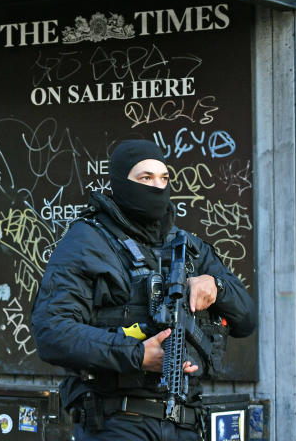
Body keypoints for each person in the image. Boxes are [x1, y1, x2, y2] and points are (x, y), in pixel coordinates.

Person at [31, 139, 257, 440]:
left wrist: (218, 287)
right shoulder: (87, 242)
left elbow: (247, 320)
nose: (157, 186)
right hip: (118, 422)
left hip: (186, 420)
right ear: (121, 183)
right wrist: (137, 355)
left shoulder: (188, 248)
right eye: (145, 178)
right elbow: (52, 331)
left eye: (163, 178)